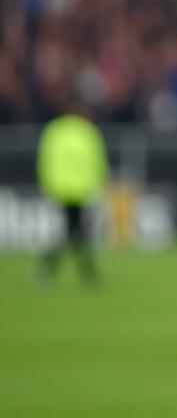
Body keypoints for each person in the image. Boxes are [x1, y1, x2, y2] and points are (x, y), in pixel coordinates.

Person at [35, 108, 108, 285]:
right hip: (80, 190)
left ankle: (82, 271)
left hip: (61, 189)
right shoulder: (87, 132)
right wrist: (99, 184)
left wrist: (47, 184)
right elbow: (96, 161)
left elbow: (45, 160)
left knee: (74, 231)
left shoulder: (54, 131)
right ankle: (78, 270)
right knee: (74, 231)